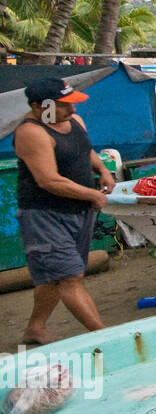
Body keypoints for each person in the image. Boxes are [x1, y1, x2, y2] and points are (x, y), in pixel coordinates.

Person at [12, 79, 113, 345]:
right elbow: (49, 180)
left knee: (53, 278)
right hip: (45, 215)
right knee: (70, 277)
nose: (72, 111)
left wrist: (102, 170)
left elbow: (85, 150)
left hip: (80, 211)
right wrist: (92, 194)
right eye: (63, 105)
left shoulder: (75, 123)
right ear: (38, 106)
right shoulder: (31, 132)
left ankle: (35, 328)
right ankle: (105, 335)